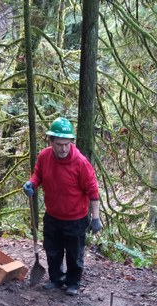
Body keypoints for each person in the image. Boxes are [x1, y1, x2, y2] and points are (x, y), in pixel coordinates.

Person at [23, 117, 102, 296]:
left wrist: (96, 218)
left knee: (75, 254)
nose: (64, 148)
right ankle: (56, 279)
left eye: (67, 144)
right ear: (51, 142)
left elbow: (93, 191)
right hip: (53, 215)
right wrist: (31, 184)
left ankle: (73, 282)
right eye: (59, 144)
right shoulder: (44, 156)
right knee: (53, 250)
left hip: (76, 218)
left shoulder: (81, 163)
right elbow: (38, 175)